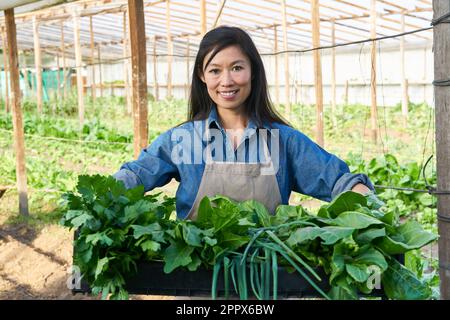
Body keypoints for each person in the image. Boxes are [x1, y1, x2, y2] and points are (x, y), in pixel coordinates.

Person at [113, 26, 374, 220]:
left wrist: (368, 201)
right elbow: (137, 174)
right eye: (215, 70)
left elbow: (339, 181)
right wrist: (100, 197)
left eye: (237, 68)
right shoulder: (184, 139)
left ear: (253, 72)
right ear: (202, 77)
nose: (226, 81)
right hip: (200, 278)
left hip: (268, 276)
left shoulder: (283, 140)